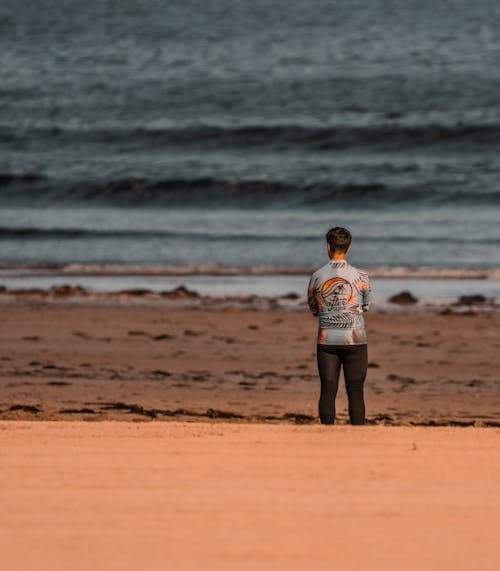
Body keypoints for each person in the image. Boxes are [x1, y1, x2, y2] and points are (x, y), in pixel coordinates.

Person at [307, 227, 372, 425]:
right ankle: (358, 433)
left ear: (328, 247)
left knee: (327, 389)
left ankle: (327, 433)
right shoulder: (362, 276)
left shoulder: (317, 276)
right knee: (355, 391)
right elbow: (366, 306)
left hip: (327, 341)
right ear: (349, 247)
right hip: (355, 340)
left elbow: (313, 309)